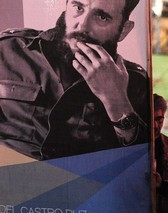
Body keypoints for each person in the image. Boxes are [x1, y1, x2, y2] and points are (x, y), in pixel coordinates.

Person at [0, 0, 150, 160]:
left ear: (123, 30)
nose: (82, 25)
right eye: (78, 8)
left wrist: (116, 99)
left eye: (101, 17)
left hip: (80, 182)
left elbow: (140, 165)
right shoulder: (9, 48)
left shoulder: (136, 83)